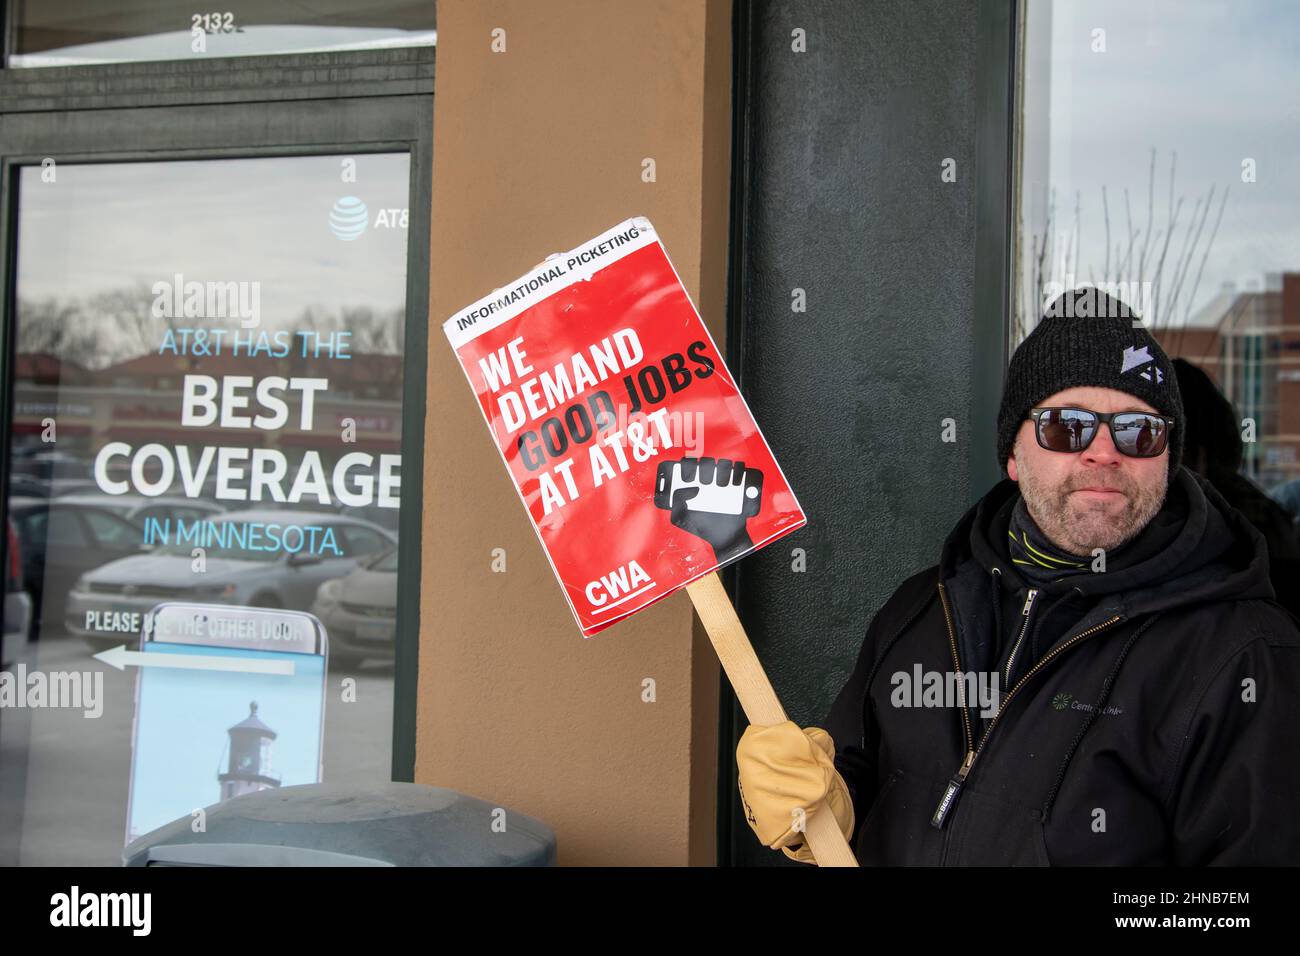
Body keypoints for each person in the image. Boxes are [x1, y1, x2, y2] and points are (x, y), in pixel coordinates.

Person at [736, 289, 1300, 865]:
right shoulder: (923, 610)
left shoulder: (1245, 655)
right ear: (1012, 454)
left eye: (1137, 430)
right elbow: (856, 775)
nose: (1104, 452)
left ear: (1166, 456)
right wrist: (822, 808)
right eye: (1065, 427)